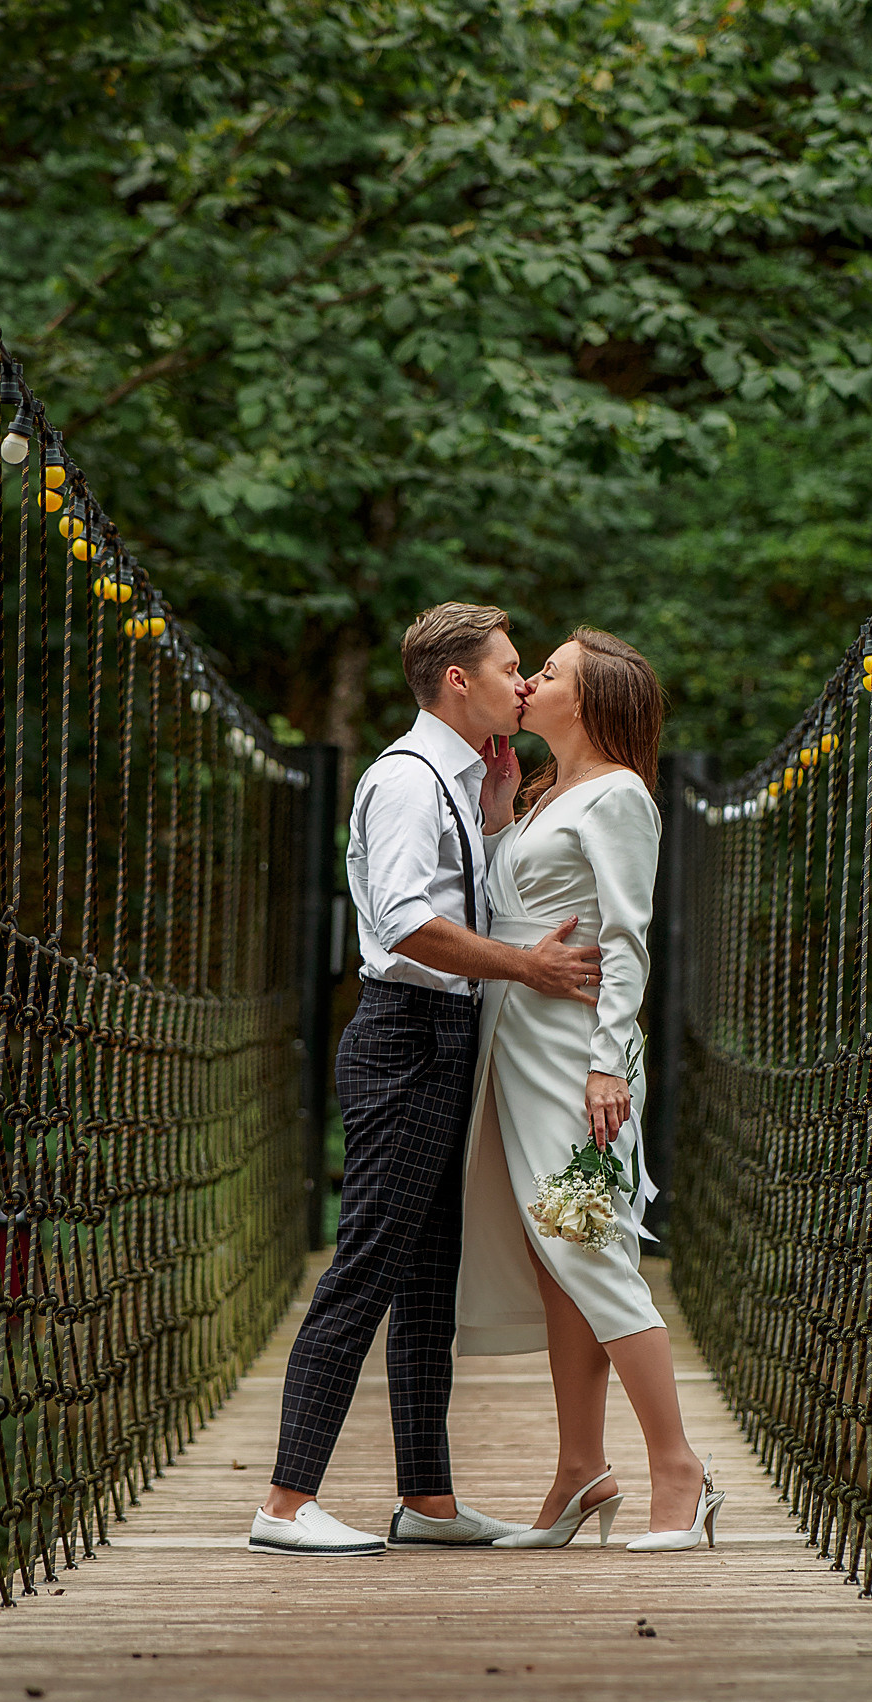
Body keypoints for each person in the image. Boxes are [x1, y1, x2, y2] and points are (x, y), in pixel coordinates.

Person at [248, 603, 605, 1557]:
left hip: (444, 1036)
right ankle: (284, 1503)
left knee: (426, 1283)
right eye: (508, 668)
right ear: (460, 681)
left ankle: (427, 1502)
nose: (521, 683)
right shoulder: (406, 781)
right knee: (364, 1267)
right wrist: (527, 965)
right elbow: (405, 924)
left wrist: (493, 822)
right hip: (407, 1038)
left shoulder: (458, 780)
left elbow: (444, 898)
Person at [458, 629, 723, 1553]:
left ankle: (680, 1470)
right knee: (553, 1255)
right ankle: (580, 1468)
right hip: (516, 1043)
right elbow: (514, 910)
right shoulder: (543, 794)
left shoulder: (619, 798)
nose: (528, 680)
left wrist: (610, 1060)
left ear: (593, 699)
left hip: (576, 1054)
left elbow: (628, 935)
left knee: (592, 1248)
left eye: (550, 672)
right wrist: (497, 815)